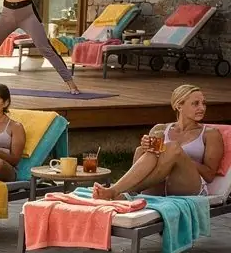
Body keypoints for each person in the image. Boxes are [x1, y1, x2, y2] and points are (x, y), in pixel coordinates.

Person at [93, 84, 222, 199]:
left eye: (204, 103)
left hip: (189, 186)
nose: (202, 108)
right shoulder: (160, 129)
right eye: (196, 103)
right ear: (179, 106)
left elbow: (210, 175)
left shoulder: (210, 133)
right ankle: (124, 190)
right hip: (159, 185)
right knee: (143, 150)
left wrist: (179, 156)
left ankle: (123, 190)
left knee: (172, 148)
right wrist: (146, 147)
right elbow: (147, 160)